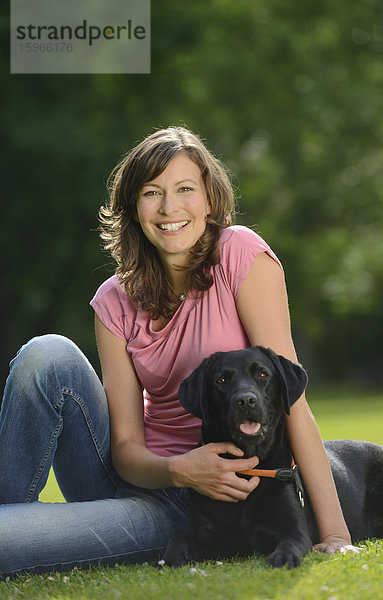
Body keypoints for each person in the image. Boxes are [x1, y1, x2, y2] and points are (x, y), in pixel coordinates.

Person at [0, 126, 357, 579]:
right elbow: (126, 448)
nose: (170, 208)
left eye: (185, 189)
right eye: (152, 193)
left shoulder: (240, 256)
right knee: (45, 354)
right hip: (149, 480)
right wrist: (179, 469)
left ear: (209, 201)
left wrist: (336, 535)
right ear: (133, 208)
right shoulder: (113, 301)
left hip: (191, 511)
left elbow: (293, 404)